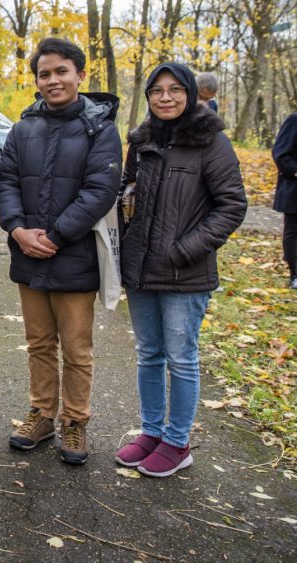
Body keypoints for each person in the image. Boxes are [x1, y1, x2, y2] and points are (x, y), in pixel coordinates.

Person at [0, 37, 121, 465]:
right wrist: (16, 229)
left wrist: (56, 236)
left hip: (75, 255)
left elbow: (100, 191)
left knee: (77, 348)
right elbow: (6, 180)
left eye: (61, 71)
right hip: (27, 254)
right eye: (44, 74)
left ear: (80, 75)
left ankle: (75, 421)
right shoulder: (23, 127)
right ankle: (42, 414)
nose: (53, 80)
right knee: (38, 342)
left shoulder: (100, 129)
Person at [115, 63, 246, 477]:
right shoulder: (140, 140)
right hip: (140, 270)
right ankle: (152, 432)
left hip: (184, 273)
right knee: (148, 355)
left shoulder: (211, 141)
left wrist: (185, 249)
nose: (165, 97)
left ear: (189, 93)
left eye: (174, 90)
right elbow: (126, 195)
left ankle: (177, 441)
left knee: (181, 359)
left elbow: (232, 206)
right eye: (157, 90)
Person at [272, 113, 297, 289]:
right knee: (293, 233)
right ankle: (295, 273)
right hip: (294, 189)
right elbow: (280, 153)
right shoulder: (294, 120)